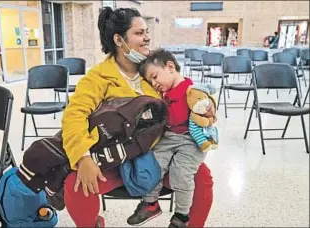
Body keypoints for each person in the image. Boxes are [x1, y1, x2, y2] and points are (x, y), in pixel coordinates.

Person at [61, 7, 213, 228]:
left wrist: (207, 107)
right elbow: (74, 116)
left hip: (159, 156)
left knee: (202, 177)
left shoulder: (154, 71)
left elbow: (187, 90)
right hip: (115, 158)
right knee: (76, 184)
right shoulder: (97, 78)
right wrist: (83, 158)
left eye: (147, 32)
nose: (147, 38)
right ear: (119, 40)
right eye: (140, 33)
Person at [126, 49, 209, 227]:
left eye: (155, 76)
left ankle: (181, 216)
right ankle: (150, 203)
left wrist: (156, 111)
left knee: (181, 174)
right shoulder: (166, 92)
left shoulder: (189, 90)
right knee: (154, 166)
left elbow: (177, 117)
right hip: (170, 137)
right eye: (151, 81)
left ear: (170, 67)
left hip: (191, 141)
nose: (154, 83)